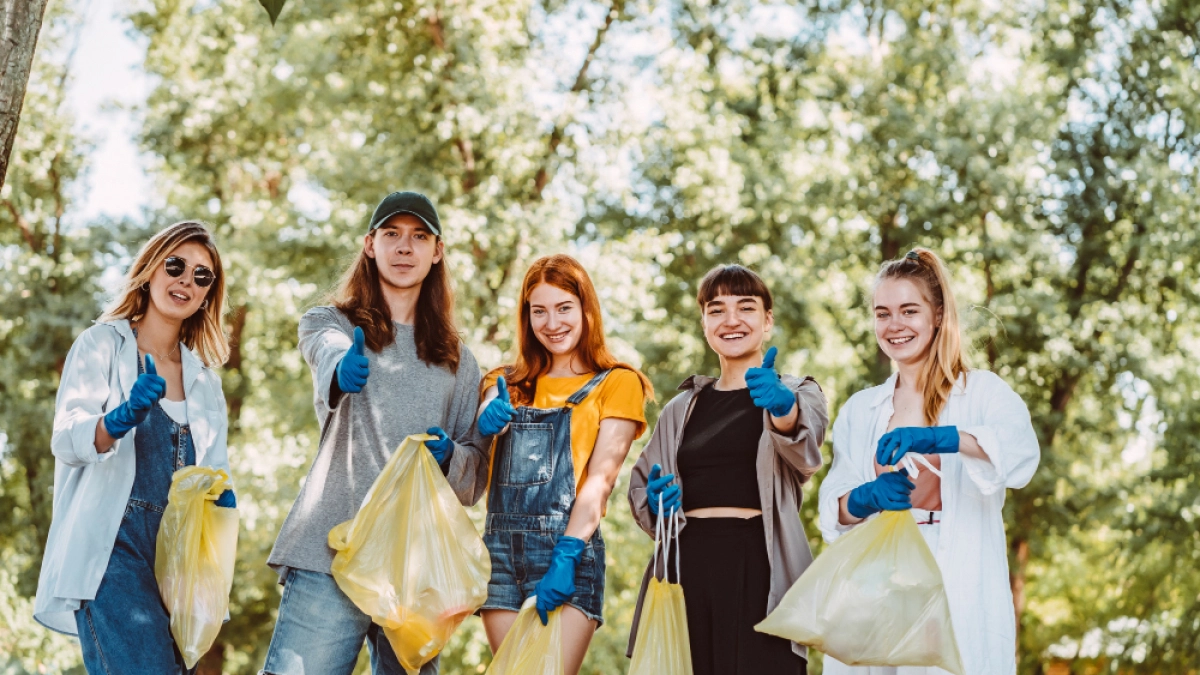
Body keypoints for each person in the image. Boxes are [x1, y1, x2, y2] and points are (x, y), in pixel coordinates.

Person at [262, 192, 487, 675]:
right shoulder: (332, 323)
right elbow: (326, 348)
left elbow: (473, 480)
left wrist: (452, 456)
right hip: (331, 549)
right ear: (370, 244)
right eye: (392, 234)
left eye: (419, 236)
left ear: (437, 251)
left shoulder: (459, 360)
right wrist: (340, 369)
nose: (404, 247)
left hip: (415, 568)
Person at [818, 248, 1041, 675]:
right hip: (876, 585)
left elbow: (1020, 453)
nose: (894, 325)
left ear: (937, 315)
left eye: (909, 311)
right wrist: (865, 498)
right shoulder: (861, 409)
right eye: (883, 314)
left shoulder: (982, 392)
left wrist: (944, 438)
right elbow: (835, 507)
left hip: (952, 580)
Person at [34, 221, 234, 673]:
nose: (186, 280)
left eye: (201, 275)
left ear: (208, 294)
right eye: (175, 265)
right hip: (112, 552)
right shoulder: (101, 344)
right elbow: (66, 439)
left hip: (179, 563)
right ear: (149, 271)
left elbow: (215, 475)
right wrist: (119, 418)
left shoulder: (205, 383)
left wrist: (224, 500)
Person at [627, 263, 828, 675]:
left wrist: (782, 409)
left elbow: (806, 452)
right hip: (686, 567)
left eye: (746, 307)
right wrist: (656, 501)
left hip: (761, 566)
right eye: (716, 310)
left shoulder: (798, 391)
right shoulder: (680, 408)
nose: (731, 320)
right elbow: (642, 486)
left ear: (767, 320)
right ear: (704, 323)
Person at [470, 254, 653, 675]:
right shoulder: (505, 381)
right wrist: (488, 416)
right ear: (527, 317)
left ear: (587, 309)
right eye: (539, 311)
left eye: (564, 308)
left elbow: (599, 482)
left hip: (567, 548)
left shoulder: (617, 382)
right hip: (500, 556)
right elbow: (487, 407)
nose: (552, 323)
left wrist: (568, 554)